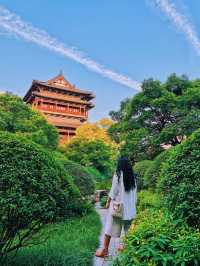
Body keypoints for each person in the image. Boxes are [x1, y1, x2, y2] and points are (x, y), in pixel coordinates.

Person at [95, 156, 137, 258]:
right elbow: (135, 194)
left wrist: (107, 203)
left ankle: (104, 250)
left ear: (120, 164)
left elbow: (113, 191)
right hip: (130, 208)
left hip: (118, 208)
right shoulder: (133, 176)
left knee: (109, 228)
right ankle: (127, 249)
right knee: (128, 230)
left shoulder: (118, 175)